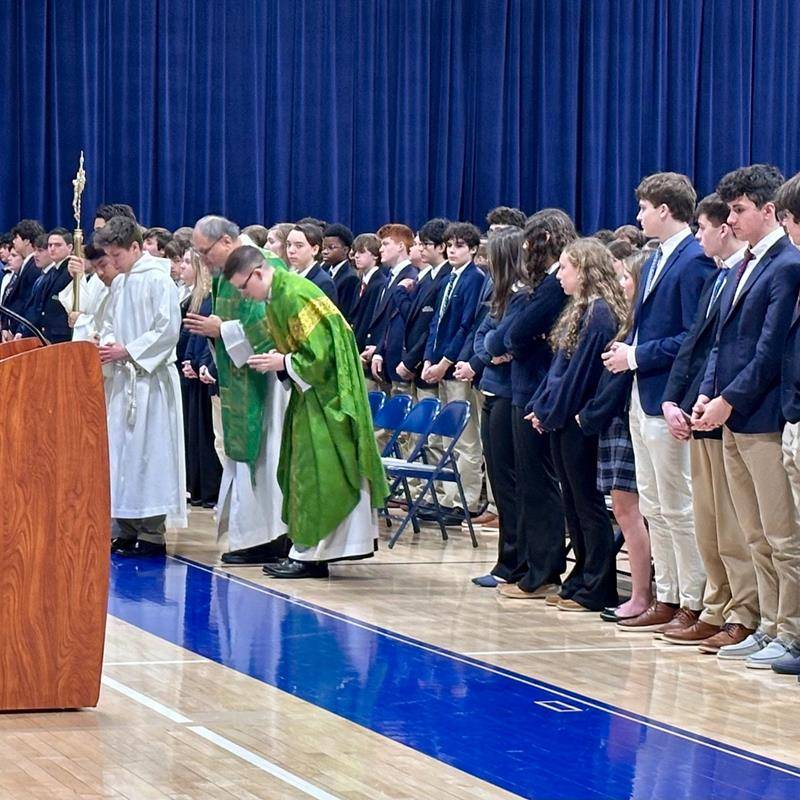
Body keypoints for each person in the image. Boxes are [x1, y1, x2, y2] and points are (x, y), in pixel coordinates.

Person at [223, 245, 389, 578]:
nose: (245, 294)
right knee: (303, 470)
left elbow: (322, 357)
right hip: (311, 396)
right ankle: (308, 551)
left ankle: (313, 555)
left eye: (244, 287)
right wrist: (281, 361)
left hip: (329, 400)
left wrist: (281, 362)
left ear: (258, 273)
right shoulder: (278, 295)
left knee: (320, 473)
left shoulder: (294, 296)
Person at [694, 164, 800, 670]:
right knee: (753, 532)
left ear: (768, 210)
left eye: (738, 210)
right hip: (733, 415)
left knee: (781, 535)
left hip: (761, 415)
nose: (731, 219)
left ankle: (790, 630)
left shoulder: (785, 264)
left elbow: (768, 350)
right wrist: (708, 393)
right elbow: (723, 341)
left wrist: (728, 399)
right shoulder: (745, 265)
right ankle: (763, 623)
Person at [605, 172, 715, 635]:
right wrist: (627, 350)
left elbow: (695, 337)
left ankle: (692, 599)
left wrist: (638, 354)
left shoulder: (694, 260)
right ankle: (666, 594)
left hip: (667, 395)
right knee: (652, 503)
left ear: (665, 210)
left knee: (678, 504)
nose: (638, 216)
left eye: (644, 208)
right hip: (641, 391)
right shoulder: (651, 260)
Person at [660, 193, 756, 651]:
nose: (700, 235)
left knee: (734, 526)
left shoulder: (741, 274)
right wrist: (678, 399)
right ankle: (718, 605)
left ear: (724, 229)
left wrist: (716, 399)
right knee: (708, 521)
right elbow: (697, 348)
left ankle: (742, 611)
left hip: (733, 411)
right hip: (703, 407)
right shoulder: (719, 278)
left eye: (705, 226)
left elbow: (742, 353)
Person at [527, 238, 625, 612]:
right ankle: (581, 573)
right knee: (572, 501)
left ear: (584, 271)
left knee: (586, 503)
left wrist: (554, 412)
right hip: (563, 418)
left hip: (578, 422)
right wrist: (543, 406)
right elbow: (558, 372)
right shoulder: (579, 309)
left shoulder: (599, 314)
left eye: (566, 268)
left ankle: (598, 584)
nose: (560, 275)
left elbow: (579, 378)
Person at [186, 215, 290, 565]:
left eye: (205, 251)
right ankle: (253, 536)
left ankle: (273, 537)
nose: (204, 260)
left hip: (269, 386)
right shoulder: (226, 273)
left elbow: (267, 331)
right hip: (241, 380)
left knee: (267, 456)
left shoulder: (263, 266)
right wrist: (220, 333)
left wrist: (223, 329)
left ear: (227, 241)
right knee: (246, 461)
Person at [93, 216, 186, 556]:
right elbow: (111, 324)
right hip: (122, 378)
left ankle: (151, 533)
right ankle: (125, 527)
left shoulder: (160, 280)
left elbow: (166, 330)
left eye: (116, 256)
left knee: (150, 455)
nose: (112, 263)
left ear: (135, 246)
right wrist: (107, 343)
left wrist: (129, 350)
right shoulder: (121, 283)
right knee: (122, 456)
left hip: (150, 380)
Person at [498, 209, 572, 600]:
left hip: (537, 389)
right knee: (527, 482)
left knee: (539, 484)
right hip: (524, 386)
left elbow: (519, 332)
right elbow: (514, 333)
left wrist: (516, 339)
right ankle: (528, 565)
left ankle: (544, 571)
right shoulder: (542, 284)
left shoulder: (555, 285)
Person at [578, 252, 651, 621]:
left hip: (624, 422)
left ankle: (642, 596)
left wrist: (587, 416)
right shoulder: (628, 323)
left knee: (629, 510)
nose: (622, 284)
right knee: (624, 510)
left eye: (627, 278)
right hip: (615, 424)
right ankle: (642, 594)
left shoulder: (636, 327)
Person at [421, 222, 486, 518]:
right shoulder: (449, 278)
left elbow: (466, 325)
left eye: (459, 245)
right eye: (449, 245)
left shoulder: (474, 278)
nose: (452, 250)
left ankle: (466, 500)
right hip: (438, 366)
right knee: (448, 435)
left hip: (455, 366)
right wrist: (427, 360)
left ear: (473, 249)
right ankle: (447, 498)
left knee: (466, 437)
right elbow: (435, 324)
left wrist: (445, 361)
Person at [469, 227, 523, 585]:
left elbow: (506, 340)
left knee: (508, 480)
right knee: (500, 480)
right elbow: (482, 340)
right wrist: (492, 351)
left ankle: (514, 561)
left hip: (509, 393)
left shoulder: (522, 296)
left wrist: (494, 346)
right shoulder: (499, 296)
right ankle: (506, 560)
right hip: (490, 386)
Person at [178, 249, 222, 508]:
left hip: (206, 368)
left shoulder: (210, 296)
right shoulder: (196, 296)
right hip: (194, 366)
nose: (182, 266)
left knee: (211, 434)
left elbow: (207, 332)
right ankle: (197, 487)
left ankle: (209, 489)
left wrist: (201, 362)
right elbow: (194, 333)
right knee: (201, 433)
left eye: (187, 262)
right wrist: (189, 359)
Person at [362, 224, 417, 391]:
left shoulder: (410, 278)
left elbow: (399, 322)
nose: (380, 249)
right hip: (381, 361)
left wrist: (380, 350)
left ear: (401, 246)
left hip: (395, 361)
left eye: (385, 244)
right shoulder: (389, 278)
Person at [24, 227, 73, 343]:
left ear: (70, 247)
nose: (52, 249)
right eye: (50, 245)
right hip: (47, 333)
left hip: (62, 335)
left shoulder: (71, 269)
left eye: (57, 245)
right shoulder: (52, 271)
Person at [2, 219, 44, 338]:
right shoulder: (26, 264)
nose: (14, 241)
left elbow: (27, 300)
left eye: (17, 238)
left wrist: (20, 329)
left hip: (24, 331)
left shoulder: (34, 266)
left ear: (26, 241)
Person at [350, 233, 388, 353]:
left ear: (375, 256)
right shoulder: (359, 284)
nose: (356, 256)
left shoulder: (379, 284)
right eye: (355, 252)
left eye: (361, 252)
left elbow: (370, 319)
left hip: (366, 348)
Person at [285, 224, 338, 304]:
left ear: (315, 250)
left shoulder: (323, 282)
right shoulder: (289, 277)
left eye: (299, 246)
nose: (291, 250)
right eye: (288, 245)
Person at [323, 224, 360, 322]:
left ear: (345, 250)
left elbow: (343, 315)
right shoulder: (325, 271)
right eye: (324, 247)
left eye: (331, 248)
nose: (325, 252)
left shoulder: (350, 278)